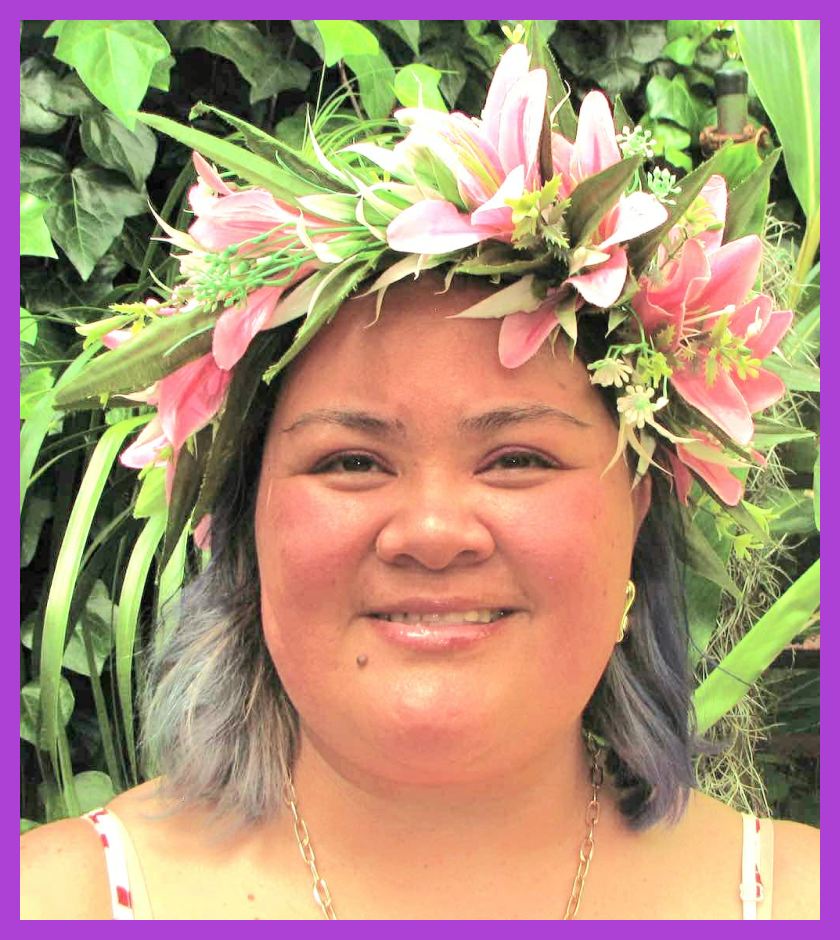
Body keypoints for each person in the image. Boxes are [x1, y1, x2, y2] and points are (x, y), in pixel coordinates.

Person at [21, 37, 819, 920]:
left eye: (518, 459)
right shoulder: (61, 904)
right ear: (246, 516)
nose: (434, 532)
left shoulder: (796, 900)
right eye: (352, 461)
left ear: (637, 508)